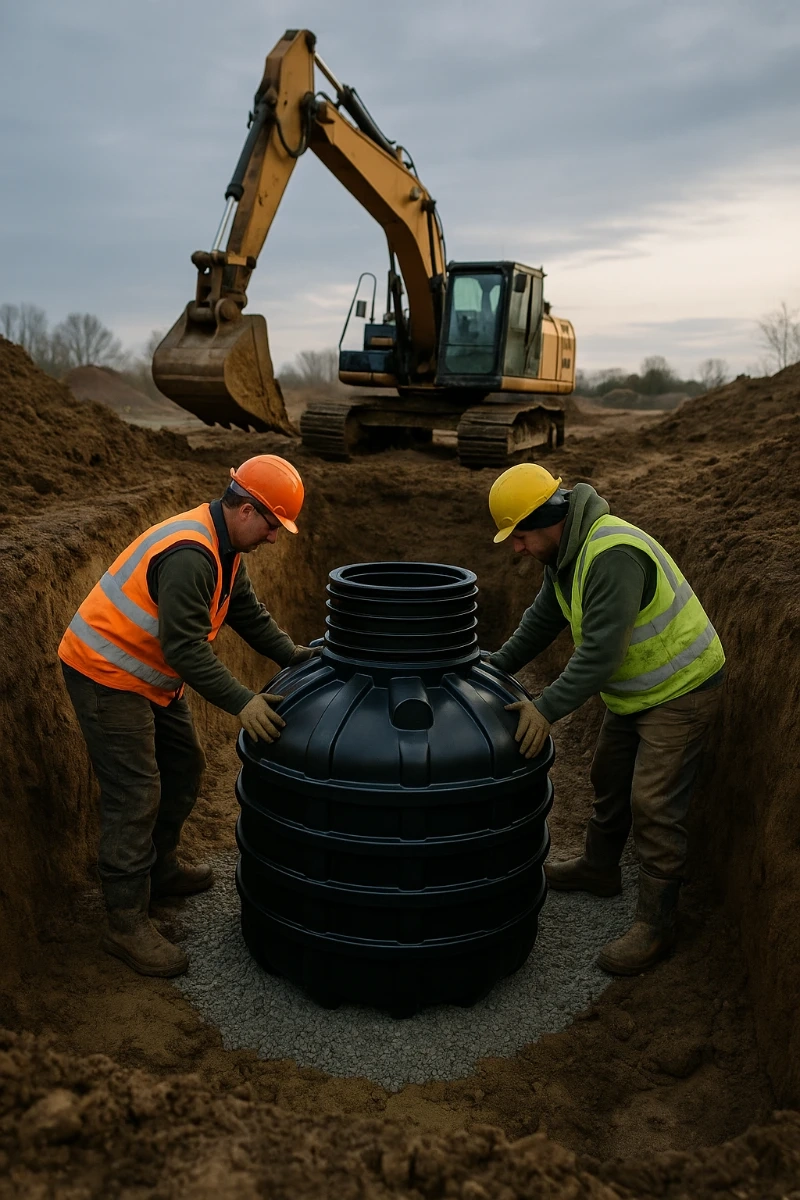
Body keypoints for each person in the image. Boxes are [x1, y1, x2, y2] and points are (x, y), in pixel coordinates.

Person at [58, 454, 318, 979]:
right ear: (245, 509)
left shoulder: (225, 548)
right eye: (272, 525)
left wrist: (293, 655)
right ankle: (125, 922)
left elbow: (243, 609)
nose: (274, 538)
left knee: (185, 769)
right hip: (106, 672)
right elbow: (184, 649)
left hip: (149, 676)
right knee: (136, 793)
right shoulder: (192, 556)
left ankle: (159, 869)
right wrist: (243, 701)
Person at [487, 463, 725, 975]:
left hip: (681, 689)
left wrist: (545, 709)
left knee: (653, 801)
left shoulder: (611, 555)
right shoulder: (566, 555)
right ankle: (600, 869)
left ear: (549, 518)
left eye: (521, 535)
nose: (517, 548)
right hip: (637, 694)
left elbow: (598, 656)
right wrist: (491, 670)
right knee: (608, 777)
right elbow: (541, 620)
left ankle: (657, 924)